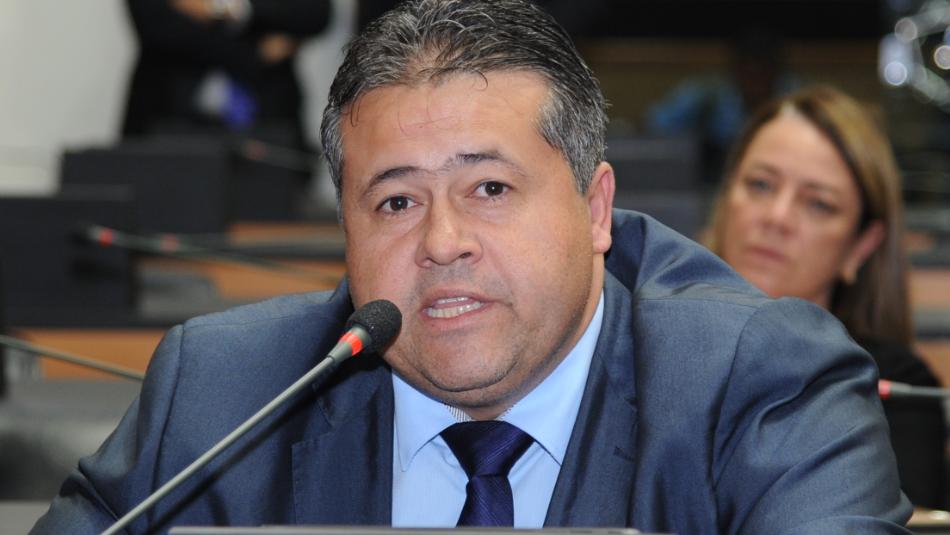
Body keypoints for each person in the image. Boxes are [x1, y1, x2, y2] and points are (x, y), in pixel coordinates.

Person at [33, 2, 911, 533]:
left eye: (490, 187)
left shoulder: (760, 383)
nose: (442, 240)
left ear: (596, 209)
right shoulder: (222, 393)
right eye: (395, 201)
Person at [706, 85, 947, 509]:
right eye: (760, 185)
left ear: (861, 247)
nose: (777, 217)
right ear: (726, 200)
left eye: (818, 204)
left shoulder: (891, 387)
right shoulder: (641, 346)